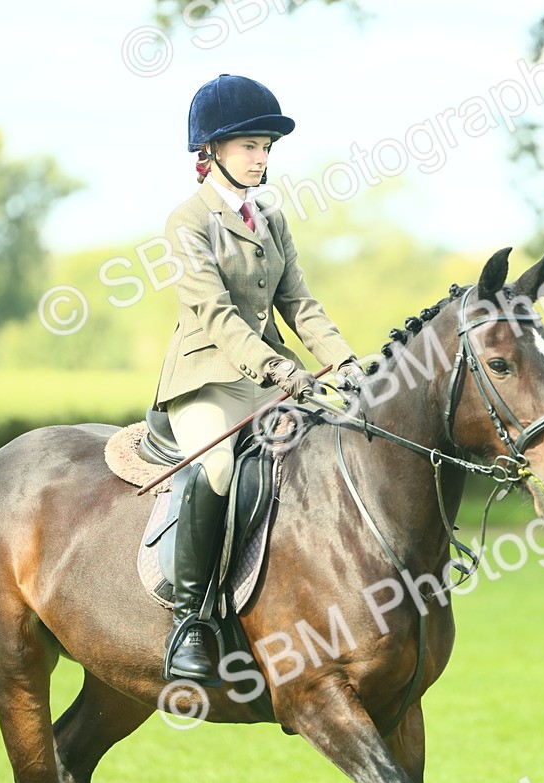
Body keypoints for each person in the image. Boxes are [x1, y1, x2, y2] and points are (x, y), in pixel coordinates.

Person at [152, 74, 363, 682]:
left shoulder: (270, 217)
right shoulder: (187, 221)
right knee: (216, 467)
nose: (261, 158)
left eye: (267, 147)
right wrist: (278, 366)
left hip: (271, 378)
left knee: (324, 452)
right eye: (250, 146)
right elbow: (214, 314)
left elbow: (300, 304)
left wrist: (349, 362)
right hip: (205, 376)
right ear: (212, 150)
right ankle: (189, 622)